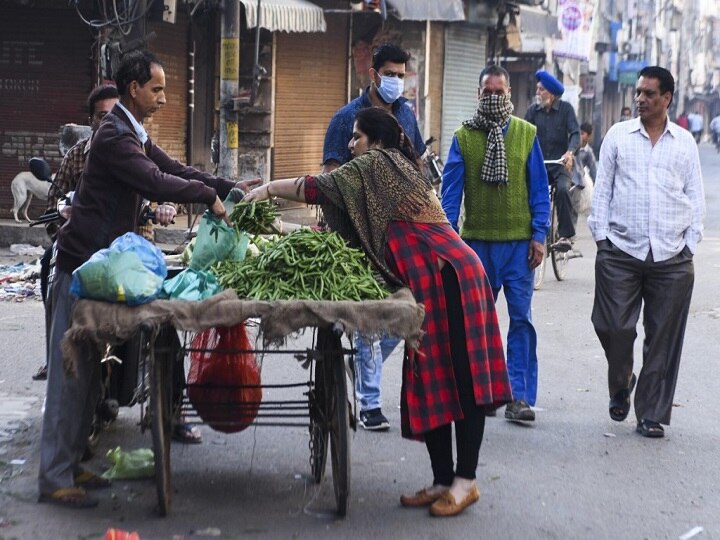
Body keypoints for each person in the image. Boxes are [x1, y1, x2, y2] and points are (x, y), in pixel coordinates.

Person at [245, 106, 512, 517]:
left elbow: (316, 187)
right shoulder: (373, 181)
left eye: (357, 137)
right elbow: (330, 233)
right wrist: (274, 228)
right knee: (431, 374)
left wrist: (264, 191)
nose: (351, 145)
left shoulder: (381, 163)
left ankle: (466, 481)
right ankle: (443, 480)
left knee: (462, 377)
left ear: (379, 141)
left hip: (453, 279)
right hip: (428, 287)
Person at [38, 49, 260, 508]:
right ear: (133, 89)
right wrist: (209, 200)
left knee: (91, 377)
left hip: (103, 267)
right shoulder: (114, 136)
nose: (162, 98)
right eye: (156, 89)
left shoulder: (132, 132)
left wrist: (223, 186)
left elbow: (173, 168)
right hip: (79, 265)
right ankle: (54, 477)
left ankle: (74, 461)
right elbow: (155, 181)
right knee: (71, 375)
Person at [588, 66, 705, 439]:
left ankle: (651, 413)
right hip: (620, 250)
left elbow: (695, 197)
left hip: (672, 256)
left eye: (649, 94)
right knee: (612, 325)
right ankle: (622, 380)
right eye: (638, 93)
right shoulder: (618, 137)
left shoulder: (685, 142)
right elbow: (602, 189)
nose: (640, 99)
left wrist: (689, 243)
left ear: (667, 98)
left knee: (663, 338)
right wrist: (602, 239)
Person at [322, 43, 426, 431]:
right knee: (368, 316)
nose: (397, 81)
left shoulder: (406, 115)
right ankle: (369, 404)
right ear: (374, 74)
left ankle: (365, 363)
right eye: (391, 74)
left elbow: (414, 167)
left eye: (402, 75)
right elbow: (330, 179)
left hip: (397, 235)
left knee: (407, 312)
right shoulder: (346, 118)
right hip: (355, 235)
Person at [441, 65, 550, 423]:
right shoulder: (463, 138)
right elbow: (450, 197)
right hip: (475, 249)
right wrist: (448, 244)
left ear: (509, 95)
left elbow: (538, 190)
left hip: (518, 249)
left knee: (521, 321)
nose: (493, 97)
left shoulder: (526, 134)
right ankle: (480, 391)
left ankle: (518, 397)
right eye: (487, 92)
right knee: (475, 323)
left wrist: (539, 236)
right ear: (478, 95)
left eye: (499, 92)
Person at [32, 85, 120, 382]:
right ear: (91, 120)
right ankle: (54, 357)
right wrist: (63, 219)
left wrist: (164, 208)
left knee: (161, 310)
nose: (106, 122)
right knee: (49, 269)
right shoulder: (75, 157)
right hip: (80, 248)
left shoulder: (134, 151)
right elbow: (53, 209)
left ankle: (169, 406)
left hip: (123, 250)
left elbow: (157, 189)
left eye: (113, 116)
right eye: (101, 116)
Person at [525, 70, 580, 253]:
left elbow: (575, 134)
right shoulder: (533, 111)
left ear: (552, 93)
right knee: (524, 190)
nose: (538, 93)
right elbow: (523, 134)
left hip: (559, 164)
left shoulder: (566, 110)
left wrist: (569, 152)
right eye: (537, 89)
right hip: (538, 163)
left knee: (563, 190)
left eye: (541, 90)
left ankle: (565, 235)